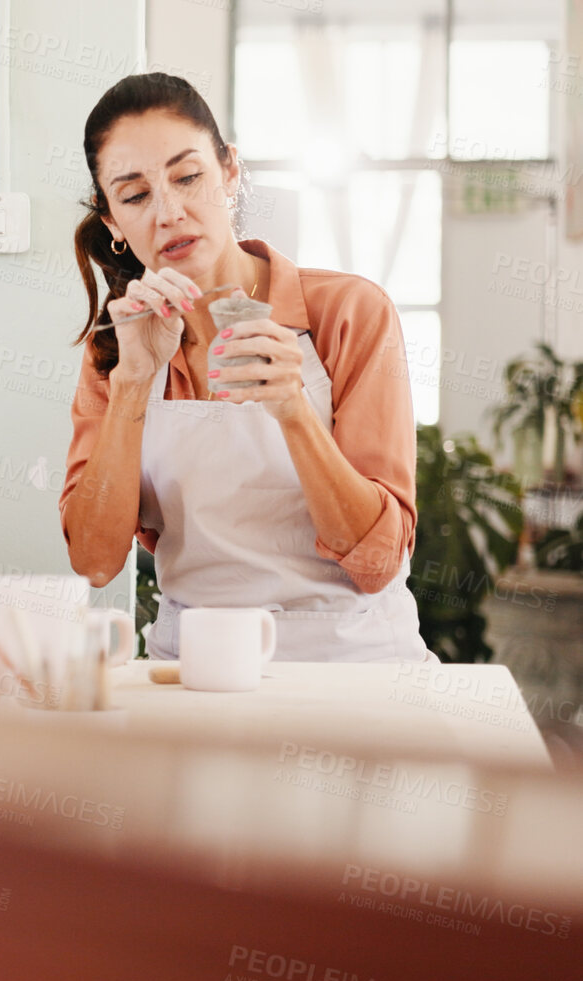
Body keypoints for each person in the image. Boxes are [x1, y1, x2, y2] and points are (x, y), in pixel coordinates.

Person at [59, 73, 430, 662]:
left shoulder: (349, 314)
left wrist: (294, 412)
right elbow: (95, 561)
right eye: (135, 196)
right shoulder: (118, 349)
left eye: (188, 177)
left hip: (353, 667)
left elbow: (378, 562)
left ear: (230, 172)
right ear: (113, 225)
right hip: (195, 673)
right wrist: (131, 386)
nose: (170, 212)